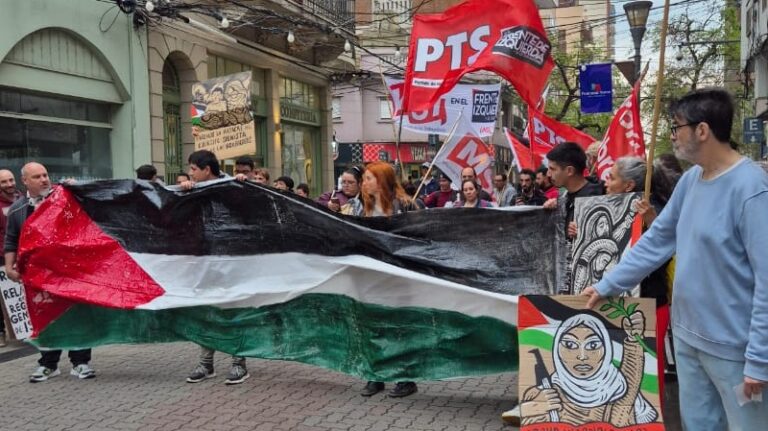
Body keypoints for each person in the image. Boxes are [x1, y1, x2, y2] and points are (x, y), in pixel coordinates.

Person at [583, 88, 768, 430]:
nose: (672, 135)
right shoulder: (691, 181)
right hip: (687, 338)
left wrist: (760, 358)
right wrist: (609, 285)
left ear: (702, 130)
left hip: (736, 352)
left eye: (676, 126)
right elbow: (657, 240)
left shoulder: (752, 188)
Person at [4, 162, 96, 382]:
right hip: (37, 277)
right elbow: (11, 240)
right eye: (37, 177)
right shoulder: (17, 209)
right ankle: (48, 364)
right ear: (25, 181)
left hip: (69, 273)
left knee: (76, 316)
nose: (44, 179)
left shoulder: (65, 199)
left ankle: (80, 362)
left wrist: (78, 190)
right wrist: (9, 267)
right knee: (44, 319)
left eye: (45, 175)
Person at [180, 150, 249, 385]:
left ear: (207, 169)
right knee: (207, 312)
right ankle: (206, 363)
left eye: (193, 169)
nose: (190, 173)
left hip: (232, 262)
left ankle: (239, 363)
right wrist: (184, 192)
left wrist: (243, 185)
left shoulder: (233, 187)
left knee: (233, 311)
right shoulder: (193, 190)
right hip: (205, 262)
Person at [520, 313, 657, 426]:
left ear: (606, 349)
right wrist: (531, 409)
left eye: (593, 345)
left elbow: (631, 376)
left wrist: (634, 338)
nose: (582, 356)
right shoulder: (543, 395)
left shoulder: (617, 390)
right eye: (570, 345)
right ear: (557, 349)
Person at [354, 161, 419, 398]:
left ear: (381, 181)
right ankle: (376, 376)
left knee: (399, 328)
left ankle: (405, 378)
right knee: (374, 327)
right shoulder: (365, 208)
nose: (364, 183)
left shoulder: (406, 205)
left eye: (368, 178)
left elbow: (418, 239)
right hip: (373, 278)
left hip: (398, 278)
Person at [543, 143, 604, 239]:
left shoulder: (595, 199)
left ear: (569, 171)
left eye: (552, 169)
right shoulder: (564, 198)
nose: (548, 174)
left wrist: (584, 234)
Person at [0, 169, 21, 347]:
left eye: (11, 180)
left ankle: (24, 331)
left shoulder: (22, 198)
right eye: (4, 182)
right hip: (2, 256)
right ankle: (1, 332)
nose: (9, 184)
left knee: (19, 294)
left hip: (21, 254)